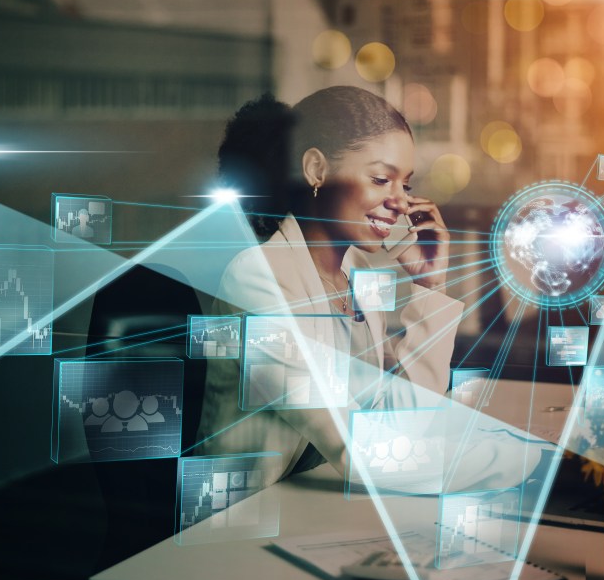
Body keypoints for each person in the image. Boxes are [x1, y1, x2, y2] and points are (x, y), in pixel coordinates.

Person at [196, 87, 533, 489]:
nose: (400, 203)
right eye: (380, 179)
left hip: (315, 501)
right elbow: (361, 452)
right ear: (317, 170)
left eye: (405, 185)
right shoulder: (255, 280)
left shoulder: (357, 273)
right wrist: (525, 463)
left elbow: (402, 422)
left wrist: (429, 286)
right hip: (245, 518)